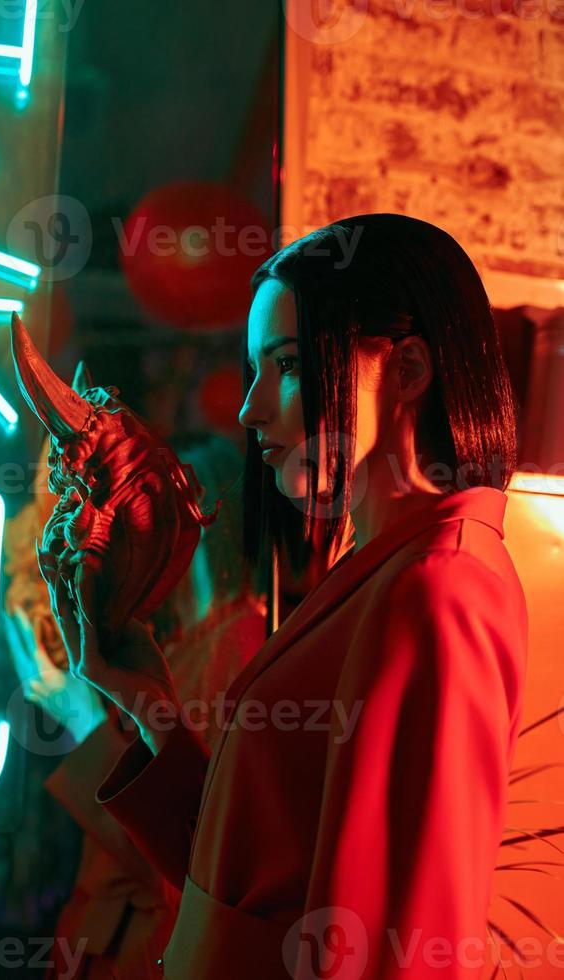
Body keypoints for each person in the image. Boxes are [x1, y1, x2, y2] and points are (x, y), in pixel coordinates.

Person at [41, 214, 528, 979]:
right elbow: (255, 876)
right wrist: (147, 703)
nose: (249, 408)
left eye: (290, 365)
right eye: (254, 368)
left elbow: (404, 948)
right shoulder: (378, 568)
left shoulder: (439, 587)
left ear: (407, 370)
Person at [4, 433, 266, 980]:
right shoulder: (170, 642)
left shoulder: (239, 642)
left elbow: (184, 856)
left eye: (143, 500)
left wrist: (83, 722)